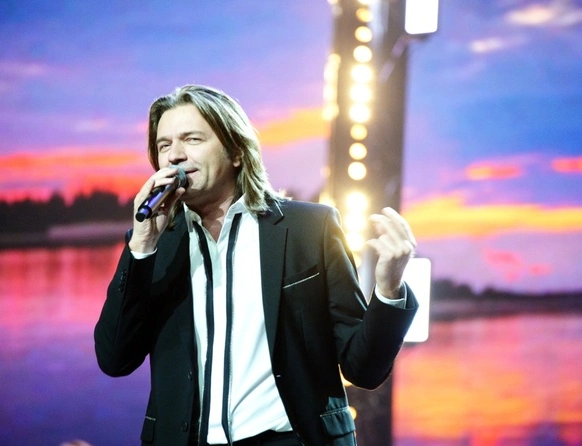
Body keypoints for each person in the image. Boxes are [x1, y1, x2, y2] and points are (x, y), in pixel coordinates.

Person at [94, 84, 418, 446]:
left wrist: (389, 290)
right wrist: (141, 247)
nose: (175, 156)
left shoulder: (308, 229)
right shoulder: (155, 246)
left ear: (235, 151)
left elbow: (364, 368)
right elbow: (114, 359)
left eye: (192, 139)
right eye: (164, 145)